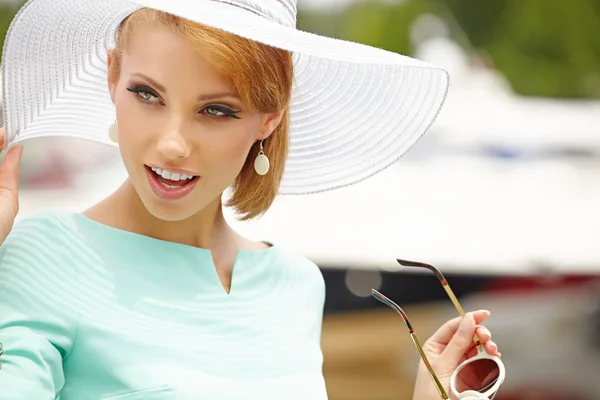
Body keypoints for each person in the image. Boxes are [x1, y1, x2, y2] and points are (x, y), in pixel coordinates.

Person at [0, 1, 500, 399]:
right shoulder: (42, 255)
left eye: (216, 110)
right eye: (148, 95)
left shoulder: (295, 284)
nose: (173, 143)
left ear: (269, 118)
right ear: (112, 76)